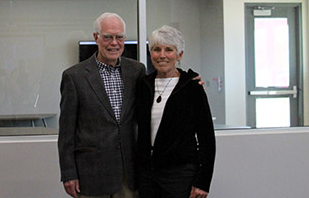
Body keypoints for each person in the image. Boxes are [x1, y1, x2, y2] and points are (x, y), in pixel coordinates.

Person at [58, 12, 146, 198]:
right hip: (91, 175)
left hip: (129, 175)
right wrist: (68, 173)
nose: (114, 43)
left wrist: (188, 81)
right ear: (96, 38)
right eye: (108, 37)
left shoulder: (136, 71)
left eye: (119, 37)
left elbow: (156, 96)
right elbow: (67, 133)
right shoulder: (74, 77)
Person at [136, 25, 216, 198]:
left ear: (179, 55)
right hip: (147, 176)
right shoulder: (143, 85)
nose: (162, 55)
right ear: (151, 54)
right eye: (157, 49)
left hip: (180, 175)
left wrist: (203, 182)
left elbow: (206, 138)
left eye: (169, 50)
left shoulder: (192, 88)